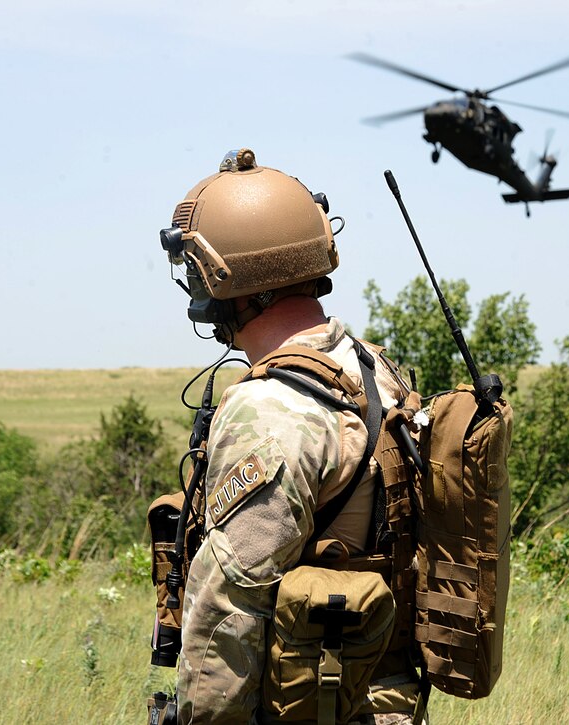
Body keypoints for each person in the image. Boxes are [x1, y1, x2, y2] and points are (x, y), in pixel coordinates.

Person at [158, 148, 422, 724]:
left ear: (219, 275)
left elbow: (232, 597)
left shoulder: (271, 408)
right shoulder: (379, 373)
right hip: (387, 702)